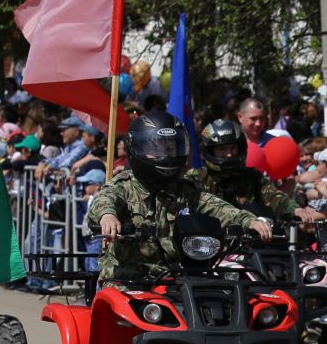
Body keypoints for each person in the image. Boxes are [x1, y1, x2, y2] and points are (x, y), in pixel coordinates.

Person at [87, 111, 271, 284]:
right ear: (136, 148)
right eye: (156, 148)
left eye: (170, 147)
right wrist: (107, 216)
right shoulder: (124, 185)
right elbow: (105, 199)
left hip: (172, 278)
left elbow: (218, 207)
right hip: (125, 281)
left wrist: (249, 221)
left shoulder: (184, 190)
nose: (166, 154)